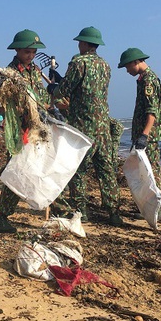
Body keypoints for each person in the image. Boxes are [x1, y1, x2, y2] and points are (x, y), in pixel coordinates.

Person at [0, 29, 72, 233]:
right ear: (17, 49)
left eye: (34, 51)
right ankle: (1, 216)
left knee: (47, 167)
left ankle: (60, 211)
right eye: (27, 51)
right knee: (18, 172)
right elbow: (3, 102)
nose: (31, 55)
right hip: (20, 130)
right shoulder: (8, 74)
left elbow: (42, 98)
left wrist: (55, 103)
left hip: (40, 127)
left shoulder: (35, 70)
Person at [50, 27, 122, 225]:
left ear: (84, 43)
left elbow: (65, 89)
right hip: (103, 127)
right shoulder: (105, 65)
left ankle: (82, 211)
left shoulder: (78, 62)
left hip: (82, 127)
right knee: (106, 170)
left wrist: (54, 87)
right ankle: (114, 213)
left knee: (79, 170)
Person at [118, 47, 161, 189]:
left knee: (150, 172)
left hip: (148, 136)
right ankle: (148, 210)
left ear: (135, 62)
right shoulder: (144, 79)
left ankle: (154, 211)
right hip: (144, 135)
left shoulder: (148, 80)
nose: (127, 70)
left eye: (127, 66)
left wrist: (144, 136)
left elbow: (151, 112)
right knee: (142, 173)